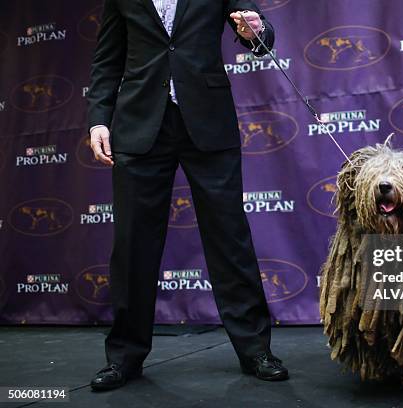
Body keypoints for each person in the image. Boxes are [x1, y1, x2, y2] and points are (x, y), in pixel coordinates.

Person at [86, 0, 288, 391]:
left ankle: (256, 350)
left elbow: (260, 37)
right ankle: (124, 358)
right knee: (132, 248)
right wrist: (98, 118)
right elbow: (107, 59)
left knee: (230, 240)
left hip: (208, 120)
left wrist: (253, 30)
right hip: (139, 124)